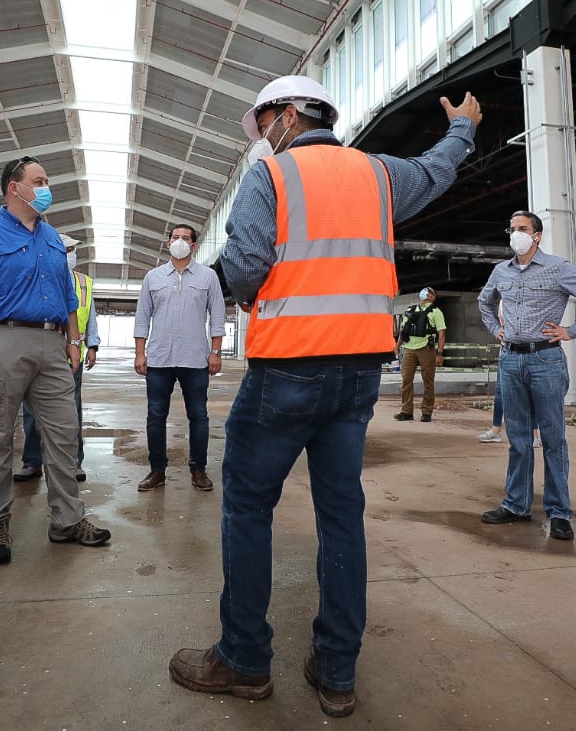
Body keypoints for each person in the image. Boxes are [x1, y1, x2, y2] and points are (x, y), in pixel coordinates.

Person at [168, 74, 482, 719]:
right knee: (342, 513)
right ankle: (336, 671)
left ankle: (244, 660)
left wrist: (243, 287)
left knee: (248, 507)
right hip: (360, 371)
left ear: (285, 115)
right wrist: (464, 128)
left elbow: (249, 266)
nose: (261, 138)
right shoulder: (377, 174)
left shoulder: (272, 178)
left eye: (262, 125)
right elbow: (435, 169)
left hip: (289, 365)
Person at [0, 156, 113, 566]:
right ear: (14, 188)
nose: (46, 187)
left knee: (63, 434)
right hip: (4, 337)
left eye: (46, 179)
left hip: (54, 343)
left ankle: (67, 521)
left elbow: (70, 296)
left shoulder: (53, 238)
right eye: (39, 180)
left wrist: (74, 341)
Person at [477, 210, 576, 542]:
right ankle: (516, 505)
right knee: (518, 439)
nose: (515, 234)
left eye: (522, 229)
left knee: (553, 439)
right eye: (511, 229)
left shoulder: (558, 268)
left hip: (545, 360)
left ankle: (559, 512)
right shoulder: (501, 271)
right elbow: (484, 302)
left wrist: (572, 330)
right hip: (511, 359)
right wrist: (496, 329)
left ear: (537, 235)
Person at [133, 224, 226, 492]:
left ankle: (198, 470)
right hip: (159, 359)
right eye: (175, 237)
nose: (180, 241)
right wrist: (140, 353)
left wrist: (215, 352)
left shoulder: (208, 277)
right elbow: (142, 318)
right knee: (155, 416)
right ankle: (157, 470)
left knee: (198, 416)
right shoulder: (153, 277)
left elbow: (217, 317)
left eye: (185, 238)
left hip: (195, 358)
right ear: (167, 243)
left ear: (194, 246)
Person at [15, 234, 98, 483]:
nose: (70, 254)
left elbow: (90, 315)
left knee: (72, 409)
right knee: (31, 409)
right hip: (39, 348)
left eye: (73, 250)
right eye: (66, 249)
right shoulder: (37, 276)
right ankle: (32, 461)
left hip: (72, 354)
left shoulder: (83, 282)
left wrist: (92, 345)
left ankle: (73, 462)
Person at [393, 286, 445, 423]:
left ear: (433, 296)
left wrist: (439, 353)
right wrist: (397, 346)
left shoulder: (436, 312)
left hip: (426, 349)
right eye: (425, 290)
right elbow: (404, 330)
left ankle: (426, 412)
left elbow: (442, 333)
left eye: (429, 290)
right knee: (406, 380)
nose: (425, 291)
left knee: (428, 381)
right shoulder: (410, 310)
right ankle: (406, 411)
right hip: (409, 348)